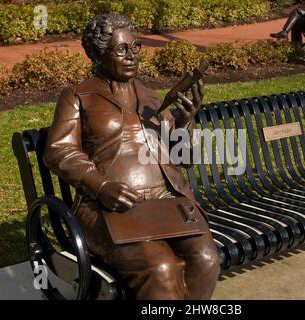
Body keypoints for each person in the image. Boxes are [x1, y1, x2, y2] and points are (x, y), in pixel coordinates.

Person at [43, 13, 221, 300]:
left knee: (206, 259)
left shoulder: (152, 97)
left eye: (135, 47)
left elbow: (183, 157)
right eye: (121, 49)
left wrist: (187, 122)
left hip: (166, 202)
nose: (131, 56)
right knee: (162, 268)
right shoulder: (78, 96)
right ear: (97, 54)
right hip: (111, 208)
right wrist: (101, 186)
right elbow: (58, 150)